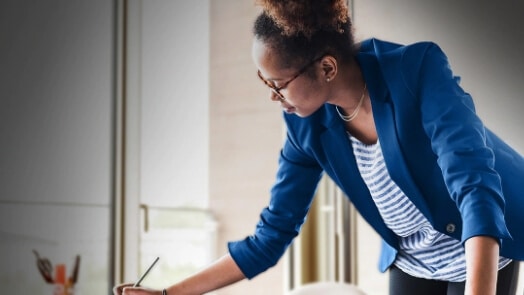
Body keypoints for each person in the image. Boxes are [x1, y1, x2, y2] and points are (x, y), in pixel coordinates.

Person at [114, 0, 524, 294]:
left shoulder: (416, 70)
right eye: (265, 83)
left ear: (327, 67)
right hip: (413, 257)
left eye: (278, 83)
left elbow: (474, 186)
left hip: (482, 239)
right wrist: (167, 294)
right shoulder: (304, 126)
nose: (273, 96)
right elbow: (270, 236)